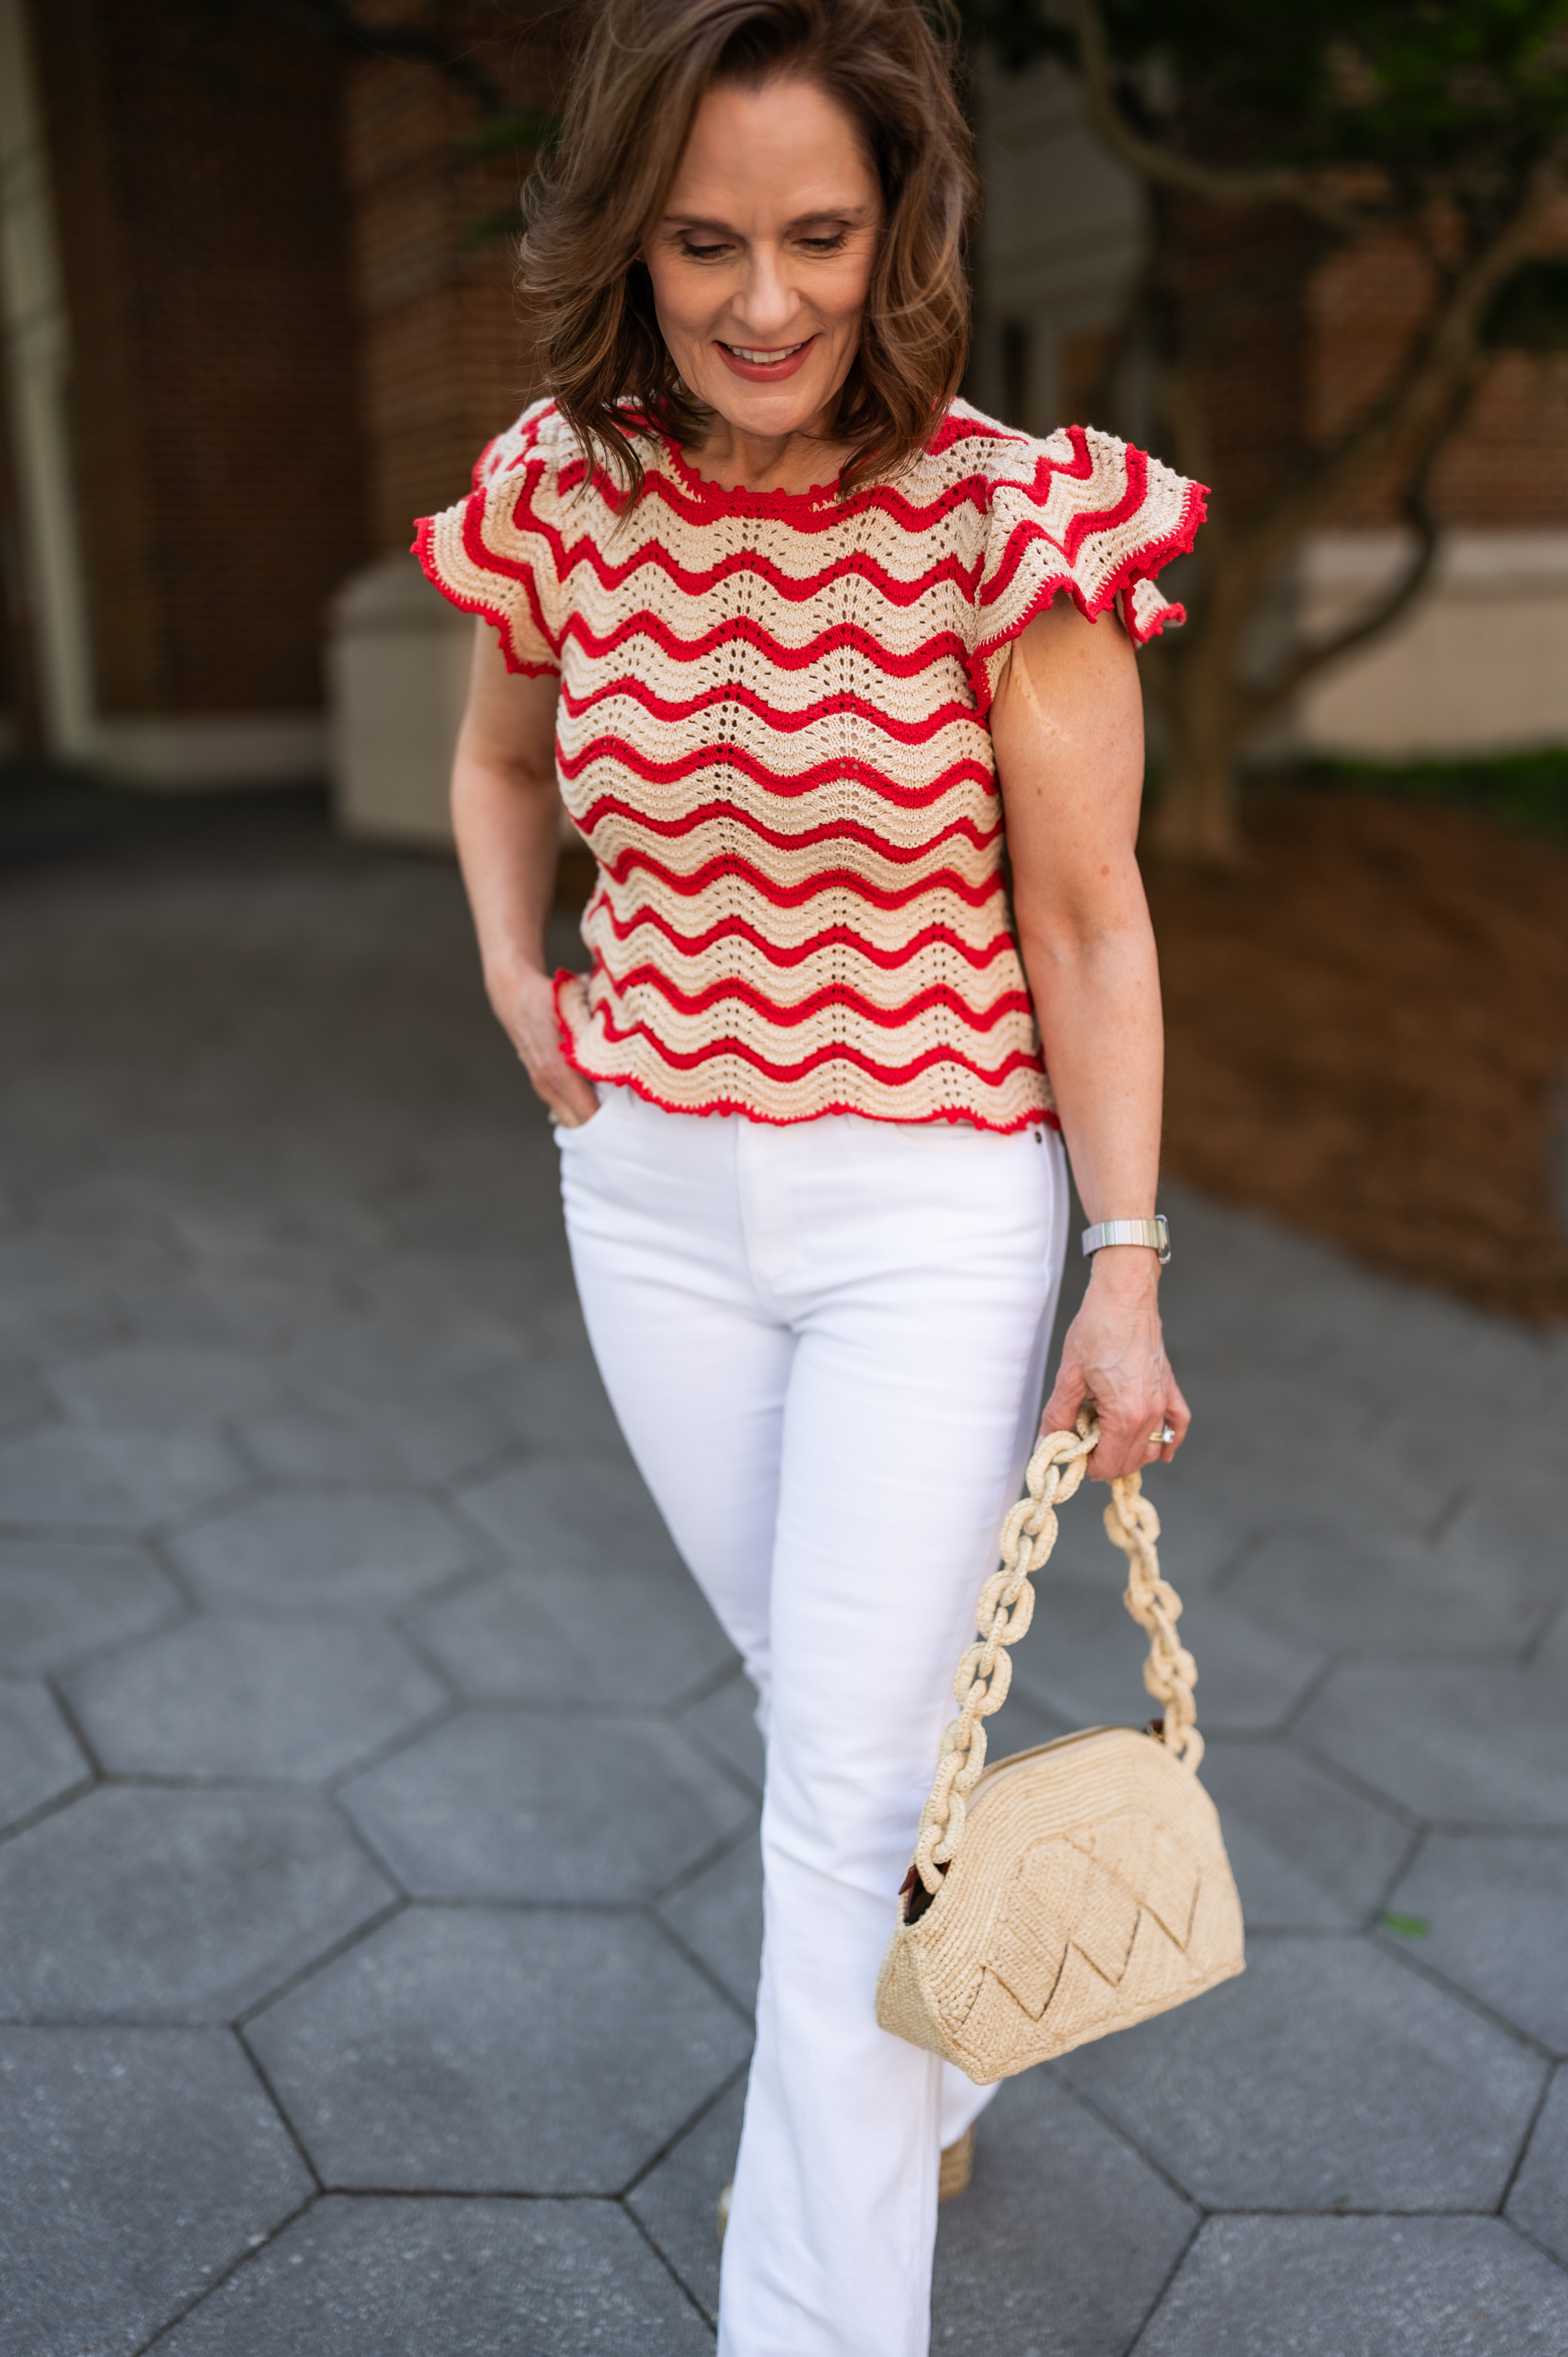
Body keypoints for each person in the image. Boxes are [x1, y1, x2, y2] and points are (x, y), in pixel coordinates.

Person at [416, 2, 1197, 2348]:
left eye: (818, 238)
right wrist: (507, 973)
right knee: (822, 1706)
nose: (763, 300)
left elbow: (1085, 919)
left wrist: (1122, 1265)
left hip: (925, 1215)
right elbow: (495, 768)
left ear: (901, 230)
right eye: (705, 242)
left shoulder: (1001, 515)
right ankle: (935, 2049)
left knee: (837, 1805)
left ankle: (812, 2317)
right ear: (628, 241)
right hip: (644, 1195)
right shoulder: (561, 486)